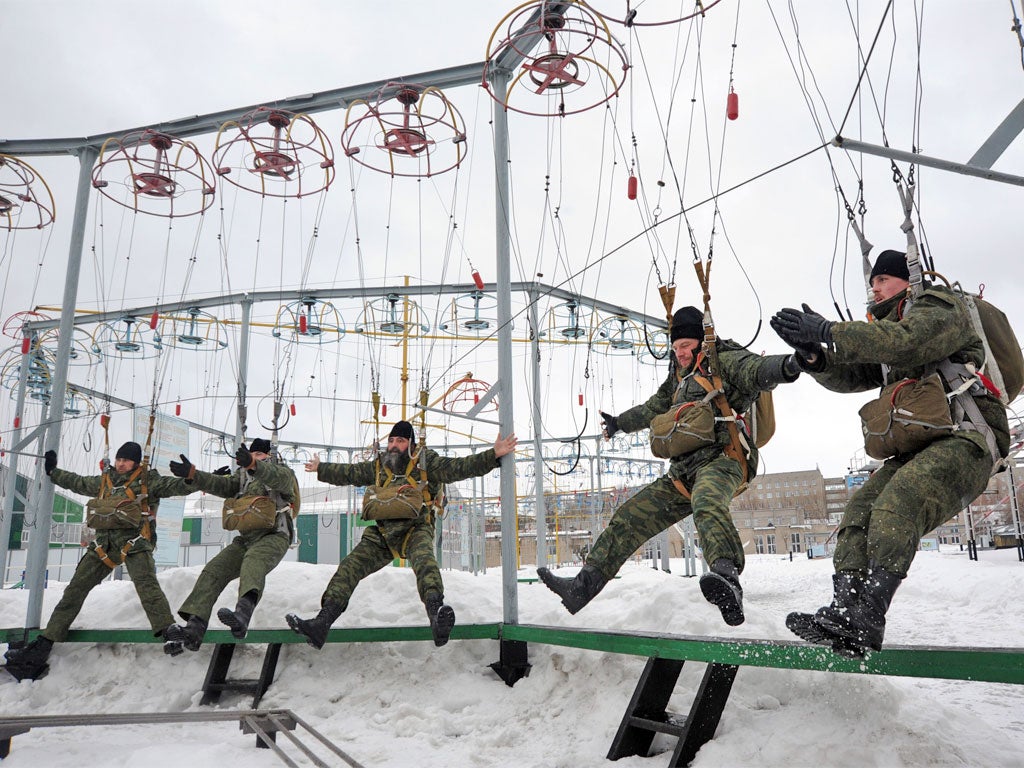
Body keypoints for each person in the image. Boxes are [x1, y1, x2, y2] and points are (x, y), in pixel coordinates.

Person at [771, 249, 1009, 657]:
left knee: (899, 503)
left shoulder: (939, 307)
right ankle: (846, 612)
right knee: (858, 513)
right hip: (916, 447)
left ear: (906, 280)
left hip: (966, 439)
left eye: (882, 280)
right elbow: (853, 375)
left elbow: (910, 341)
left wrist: (831, 328)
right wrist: (816, 356)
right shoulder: (885, 335)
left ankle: (870, 616)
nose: (874, 287)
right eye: (873, 281)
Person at [538, 306, 802, 625]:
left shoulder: (724, 360)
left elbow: (758, 370)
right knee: (630, 516)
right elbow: (654, 407)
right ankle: (582, 588)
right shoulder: (678, 376)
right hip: (682, 472)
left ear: (702, 342)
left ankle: (727, 578)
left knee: (707, 502)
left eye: (685, 346)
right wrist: (619, 423)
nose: (679, 353)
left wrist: (791, 364)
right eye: (675, 347)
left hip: (723, 460)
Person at [286, 421, 517, 648]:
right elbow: (350, 472)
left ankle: (437, 616)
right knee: (349, 567)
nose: (395, 445)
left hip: (416, 528)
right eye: (392, 440)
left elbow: (459, 467)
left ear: (411, 443)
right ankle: (322, 623)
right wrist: (321, 468)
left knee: (425, 564)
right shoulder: (379, 466)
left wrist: (492, 455)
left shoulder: (426, 463)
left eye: (401, 441)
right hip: (383, 534)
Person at [3, 441, 196, 680]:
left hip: (134, 543)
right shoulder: (105, 481)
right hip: (103, 546)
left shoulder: (148, 481)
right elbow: (78, 482)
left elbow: (177, 486)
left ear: (136, 462)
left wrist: (195, 477)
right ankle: (47, 640)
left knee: (147, 587)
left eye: (126, 460)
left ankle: (168, 630)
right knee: (74, 591)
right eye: (119, 459)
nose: (121, 463)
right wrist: (54, 472)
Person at [162, 438, 299, 654]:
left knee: (253, 562)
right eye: (251, 455)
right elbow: (223, 485)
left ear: (269, 456)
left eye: (259, 455)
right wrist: (193, 475)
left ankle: (242, 615)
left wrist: (254, 466)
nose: (254, 458)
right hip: (246, 538)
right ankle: (194, 628)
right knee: (214, 570)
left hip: (274, 535)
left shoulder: (282, 472)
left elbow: (279, 479)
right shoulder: (242, 477)